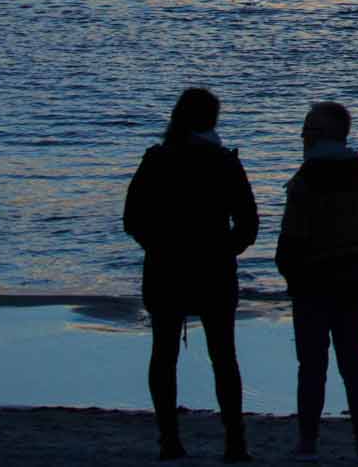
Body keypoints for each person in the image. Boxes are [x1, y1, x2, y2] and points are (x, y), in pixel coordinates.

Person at [124, 87, 261, 463]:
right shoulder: (223, 161)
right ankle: (235, 443)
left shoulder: (157, 159)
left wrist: (158, 247)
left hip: (165, 269)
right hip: (213, 271)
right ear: (213, 120)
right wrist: (224, 250)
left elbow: (132, 219)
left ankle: (169, 440)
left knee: (164, 355)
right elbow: (249, 223)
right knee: (223, 356)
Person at [274, 101, 358, 462]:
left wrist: (290, 270)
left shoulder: (307, 178)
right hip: (353, 277)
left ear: (323, 136)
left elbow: (290, 236)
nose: (303, 136)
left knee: (313, 365)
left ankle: (309, 442)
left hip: (314, 280)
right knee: (353, 362)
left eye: (309, 130)